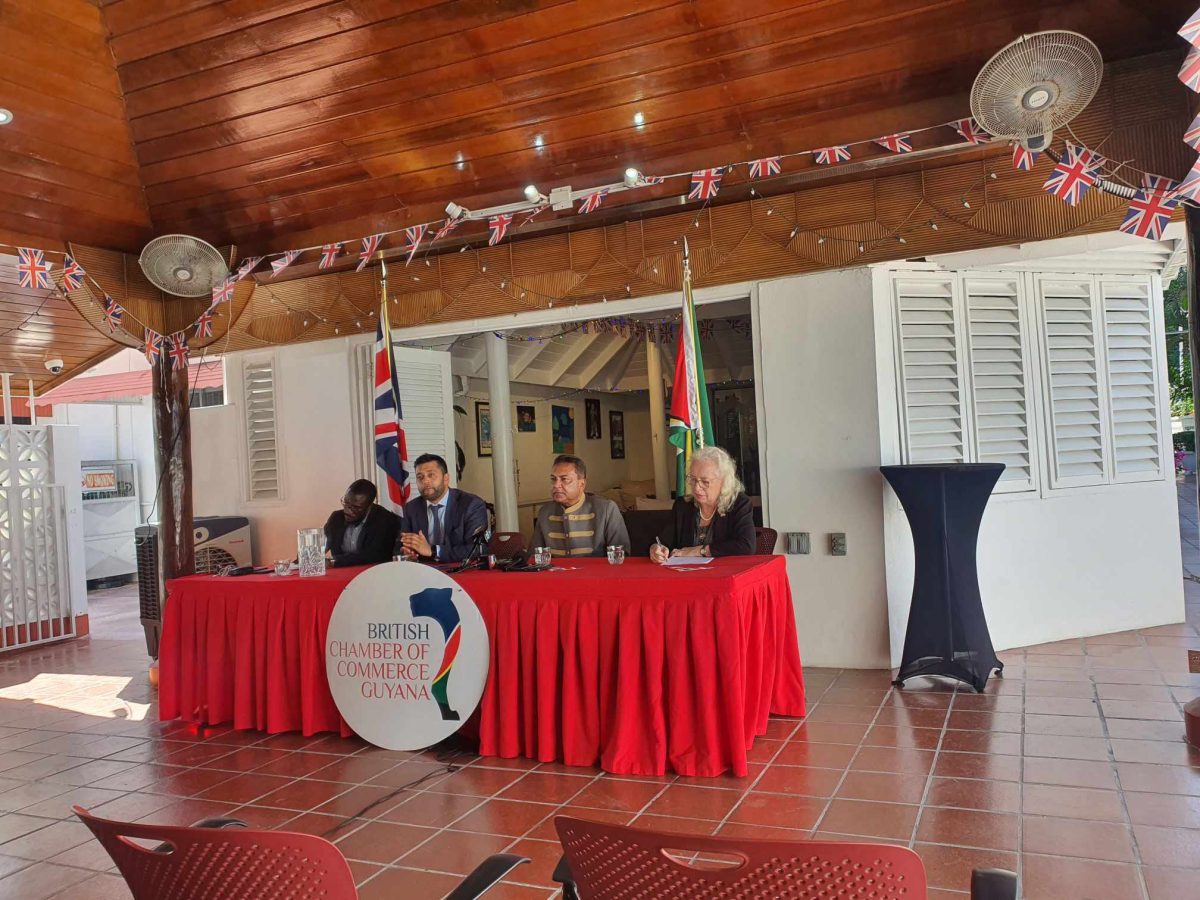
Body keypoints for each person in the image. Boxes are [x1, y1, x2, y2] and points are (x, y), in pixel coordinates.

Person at [651, 445, 755, 561]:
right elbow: (663, 542)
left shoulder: (738, 504)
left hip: (723, 574)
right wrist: (657, 549)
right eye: (693, 479)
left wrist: (699, 551)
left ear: (723, 481)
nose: (696, 487)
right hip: (687, 576)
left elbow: (746, 546)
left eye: (705, 482)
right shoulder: (683, 505)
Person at [531, 454, 630, 558]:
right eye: (553, 479)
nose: (556, 485)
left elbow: (622, 556)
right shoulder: (545, 512)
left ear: (581, 484)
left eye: (564, 479)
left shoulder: (606, 509)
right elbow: (534, 557)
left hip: (595, 573)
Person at [399, 454, 489, 563]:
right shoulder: (411, 508)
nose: (425, 481)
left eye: (431, 475)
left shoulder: (471, 505)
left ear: (446, 478)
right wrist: (407, 552)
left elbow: (478, 549)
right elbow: (399, 545)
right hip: (423, 573)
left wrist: (434, 551)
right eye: (420, 477)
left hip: (459, 572)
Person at [323, 479, 401, 567]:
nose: (348, 510)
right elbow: (322, 544)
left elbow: (373, 556)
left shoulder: (384, 520)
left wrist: (334, 561)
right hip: (341, 573)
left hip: (372, 574)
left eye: (356, 507)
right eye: (346, 503)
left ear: (369, 506)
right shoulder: (336, 518)